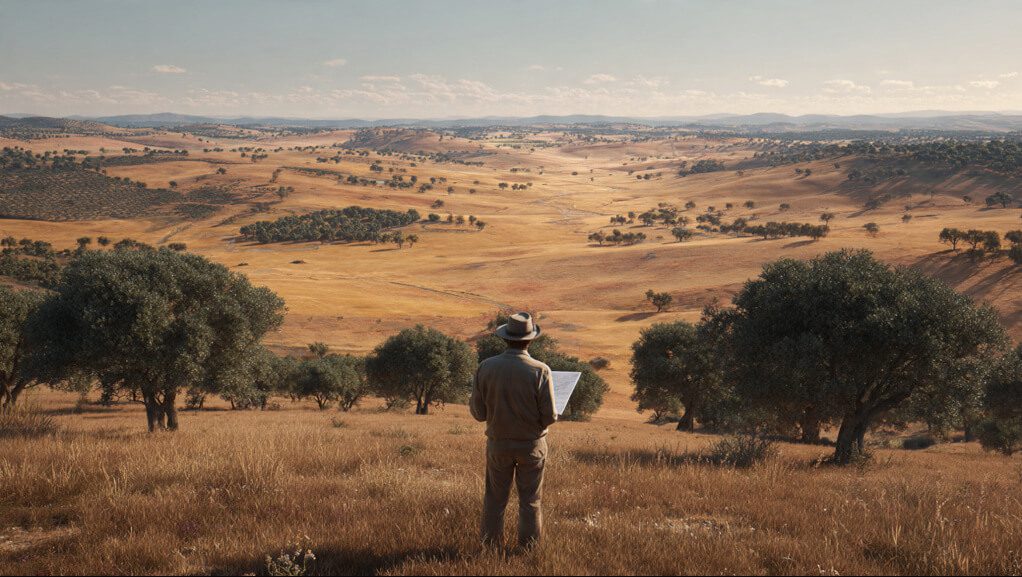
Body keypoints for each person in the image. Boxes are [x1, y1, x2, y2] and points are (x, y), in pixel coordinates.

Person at [470, 312, 557, 550]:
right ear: (530, 340)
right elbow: (549, 417)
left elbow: (479, 414)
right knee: (530, 501)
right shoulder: (541, 370)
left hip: (498, 444)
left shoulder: (485, 367)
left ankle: (490, 548)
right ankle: (528, 550)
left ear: (505, 338)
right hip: (531, 445)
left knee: (494, 500)